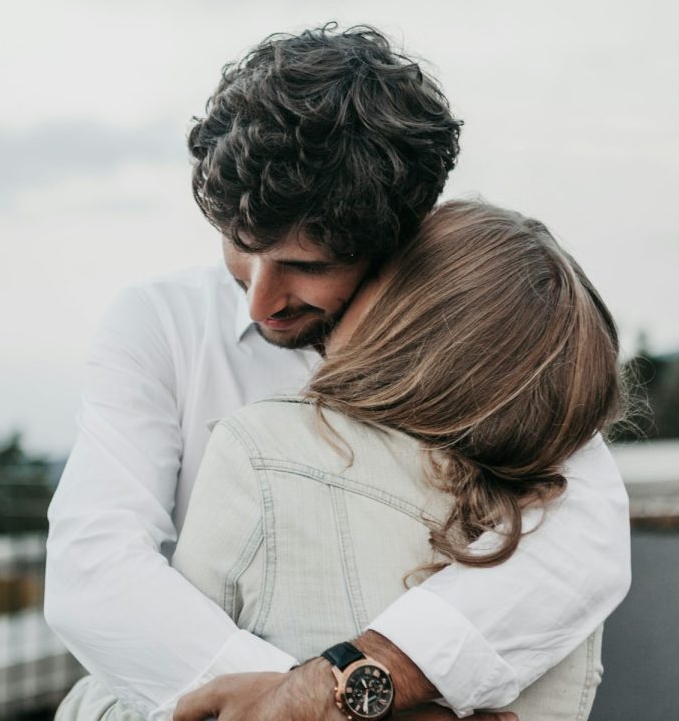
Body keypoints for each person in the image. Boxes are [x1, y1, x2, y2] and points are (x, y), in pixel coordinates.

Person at [44, 25, 630, 721]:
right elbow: (93, 568)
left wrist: (358, 684)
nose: (259, 301)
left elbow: (585, 535)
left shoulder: (478, 326)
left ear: (396, 240)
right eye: (239, 244)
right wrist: (337, 700)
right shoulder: (160, 323)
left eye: (306, 265)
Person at [170, 198, 624, 721]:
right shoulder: (563, 520)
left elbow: (162, 699)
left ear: (411, 309)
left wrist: (320, 694)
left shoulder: (263, 452)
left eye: (372, 275)